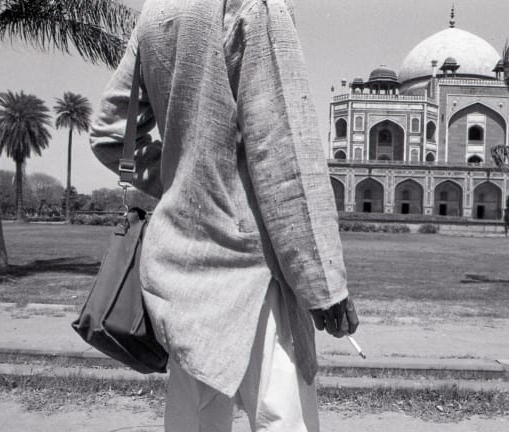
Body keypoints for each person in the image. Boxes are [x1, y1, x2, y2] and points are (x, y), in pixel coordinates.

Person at [89, 0, 359, 431]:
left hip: (180, 269)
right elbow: (285, 150)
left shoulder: (157, 12)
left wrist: (185, 184)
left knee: (193, 421)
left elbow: (107, 134)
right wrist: (323, 283)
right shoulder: (256, 6)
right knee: (280, 418)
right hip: (252, 273)